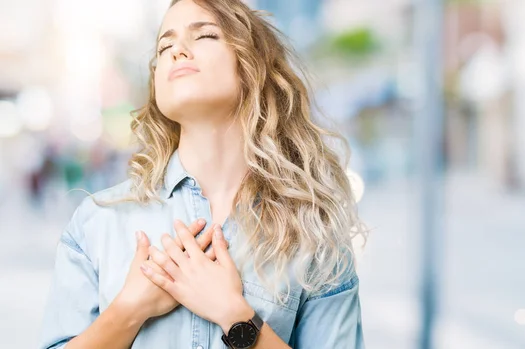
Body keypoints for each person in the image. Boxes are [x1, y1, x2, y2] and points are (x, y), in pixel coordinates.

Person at [39, 0, 367, 348]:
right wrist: (129, 310)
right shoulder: (97, 223)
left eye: (205, 35)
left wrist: (235, 315)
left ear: (251, 65)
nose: (177, 50)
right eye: (165, 45)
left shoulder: (312, 233)